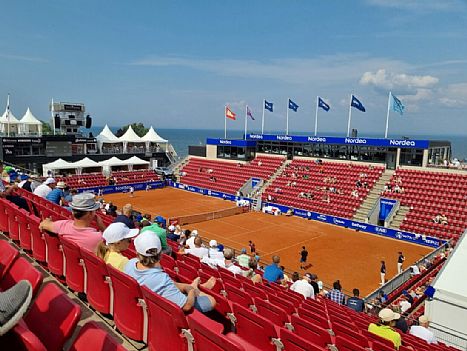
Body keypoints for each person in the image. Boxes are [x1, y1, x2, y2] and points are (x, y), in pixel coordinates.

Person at [125, 231, 217, 313]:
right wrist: (192, 290)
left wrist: (187, 287)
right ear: (160, 253)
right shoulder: (161, 279)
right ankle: (197, 289)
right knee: (211, 301)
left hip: (145, 306)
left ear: (137, 253)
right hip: (162, 312)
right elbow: (187, 306)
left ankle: (195, 287)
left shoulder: (130, 263)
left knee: (183, 287)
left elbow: (168, 284)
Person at [39, 192, 105, 252]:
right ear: (90, 213)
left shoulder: (62, 225)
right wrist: (101, 225)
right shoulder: (98, 237)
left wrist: (48, 220)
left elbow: (43, 224)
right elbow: (113, 243)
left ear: (73, 212)